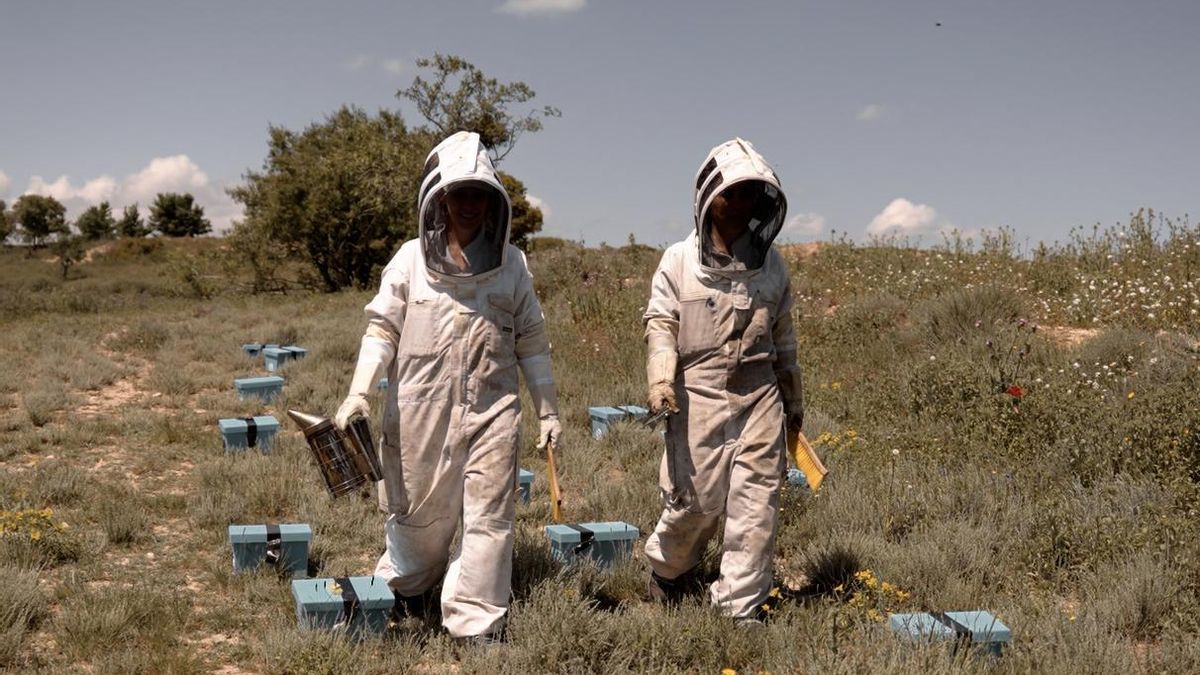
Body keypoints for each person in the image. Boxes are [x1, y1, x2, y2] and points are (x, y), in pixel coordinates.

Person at [334, 130, 562, 643]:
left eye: (478, 194)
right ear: (438, 198)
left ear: (492, 201)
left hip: (492, 409)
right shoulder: (410, 259)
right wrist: (359, 391)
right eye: (458, 194)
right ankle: (412, 586)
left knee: (489, 518)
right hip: (419, 412)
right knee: (419, 519)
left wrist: (548, 412)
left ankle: (476, 622)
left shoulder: (513, 266)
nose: (468, 205)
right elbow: (381, 329)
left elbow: (532, 341)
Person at [642, 138, 803, 624]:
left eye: (753, 193)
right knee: (698, 501)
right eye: (735, 193)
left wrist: (793, 400)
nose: (743, 203)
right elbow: (661, 324)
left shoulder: (772, 265)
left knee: (757, 505)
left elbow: (785, 338)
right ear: (710, 198)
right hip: (699, 393)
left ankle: (739, 607)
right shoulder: (678, 260)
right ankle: (669, 569)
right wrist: (660, 381)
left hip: (759, 395)